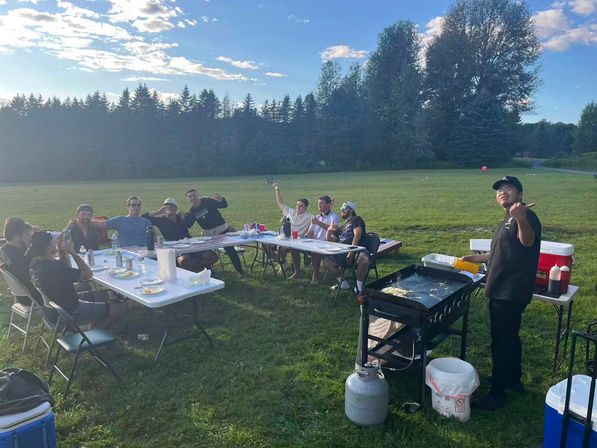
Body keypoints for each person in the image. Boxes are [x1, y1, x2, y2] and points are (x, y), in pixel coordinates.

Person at [462, 176, 541, 411]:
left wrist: (521, 218)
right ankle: (513, 380)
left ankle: (497, 393)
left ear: (520, 194)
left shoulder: (525, 216)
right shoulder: (507, 219)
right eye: (499, 190)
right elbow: (500, 252)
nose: (503, 192)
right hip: (502, 288)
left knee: (501, 341)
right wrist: (474, 258)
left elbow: (527, 242)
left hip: (509, 290)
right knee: (511, 338)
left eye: (509, 189)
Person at [28, 231, 124, 328]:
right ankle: (94, 331)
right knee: (120, 309)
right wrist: (73, 252)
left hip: (52, 311)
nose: (56, 242)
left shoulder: (35, 264)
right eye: (53, 241)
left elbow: (65, 267)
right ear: (47, 247)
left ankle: (104, 317)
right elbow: (88, 274)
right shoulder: (53, 269)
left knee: (110, 295)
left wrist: (62, 251)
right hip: (70, 312)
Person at [143, 198, 218, 272]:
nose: (169, 208)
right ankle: (204, 270)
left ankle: (198, 269)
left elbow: (190, 221)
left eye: (171, 206)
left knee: (212, 256)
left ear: (175, 208)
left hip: (191, 244)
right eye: (166, 206)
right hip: (175, 247)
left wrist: (185, 218)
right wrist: (158, 212)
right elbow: (144, 217)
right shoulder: (161, 220)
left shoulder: (182, 217)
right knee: (184, 261)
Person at [183, 188, 243, 274]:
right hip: (209, 234)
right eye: (190, 196)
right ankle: (210, 272)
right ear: (188, 199)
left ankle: (240, 271)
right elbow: (189, 224)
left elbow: (223, 205)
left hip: (222, 229)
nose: (193, 198)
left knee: (230, 250)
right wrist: (184, 217)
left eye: (194, 195)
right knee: (205, 252)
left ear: (198, 195)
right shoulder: (192, 211)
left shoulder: (208, 201)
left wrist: (221, 198)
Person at [324, 202, 370, 293]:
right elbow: (331, 241)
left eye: (344, 208)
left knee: (363, 259)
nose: (342, 210)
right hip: (342, 252)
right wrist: (328, 231)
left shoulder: (356, 219)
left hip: (357, 250)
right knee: (327, 261)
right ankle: (343, 284)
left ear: (351, 210)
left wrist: (351, 251)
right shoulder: (342, 227)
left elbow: (358, 234)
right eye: (341, 208)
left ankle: (359, 287)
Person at [271, 181, 313, 279]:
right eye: (297, 205)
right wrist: (277, 190)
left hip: (295, 241)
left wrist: (330, 206)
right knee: (263, 244)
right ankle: (283, 263)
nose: (298, 207)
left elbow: (322, 217)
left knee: (280, 247)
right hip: (282, 237)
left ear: (306, 207)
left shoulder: (309, 217)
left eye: (301, 205)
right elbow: (281, 203)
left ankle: (283, 264)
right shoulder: (290, 212)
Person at [0, 217, 40, 306]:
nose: (28, 237)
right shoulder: (21, 257)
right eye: (26, 234)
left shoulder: (3, 249)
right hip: (33, 297)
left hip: (20, 295)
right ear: (16, 237)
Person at [304, 195, 339, 284]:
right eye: (318, 203)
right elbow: (310, 232)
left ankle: (315, 276)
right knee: (294, 247)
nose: (319, 205)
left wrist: (319, 223)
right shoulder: (316, 217)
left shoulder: (333, 217)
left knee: (315, 251)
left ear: (328, 205)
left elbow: (333, 231)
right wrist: (306, 236)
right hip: (315, 242)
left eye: (321, 203)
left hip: (327, 243)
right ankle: (296, 271)